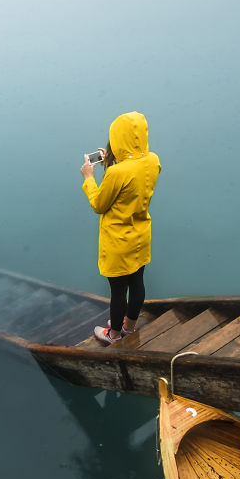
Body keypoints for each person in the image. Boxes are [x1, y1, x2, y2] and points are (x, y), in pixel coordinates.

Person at [80, 111, 161, 344]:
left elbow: (99, 204)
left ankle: (114, 334)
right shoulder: (153, 160)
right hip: (141, 233)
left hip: (118, 241)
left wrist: (88, 178)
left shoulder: (116, 173)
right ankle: (130, 326)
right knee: (137, 283)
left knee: (118, 291)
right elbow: (130, 183)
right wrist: (113, 162)